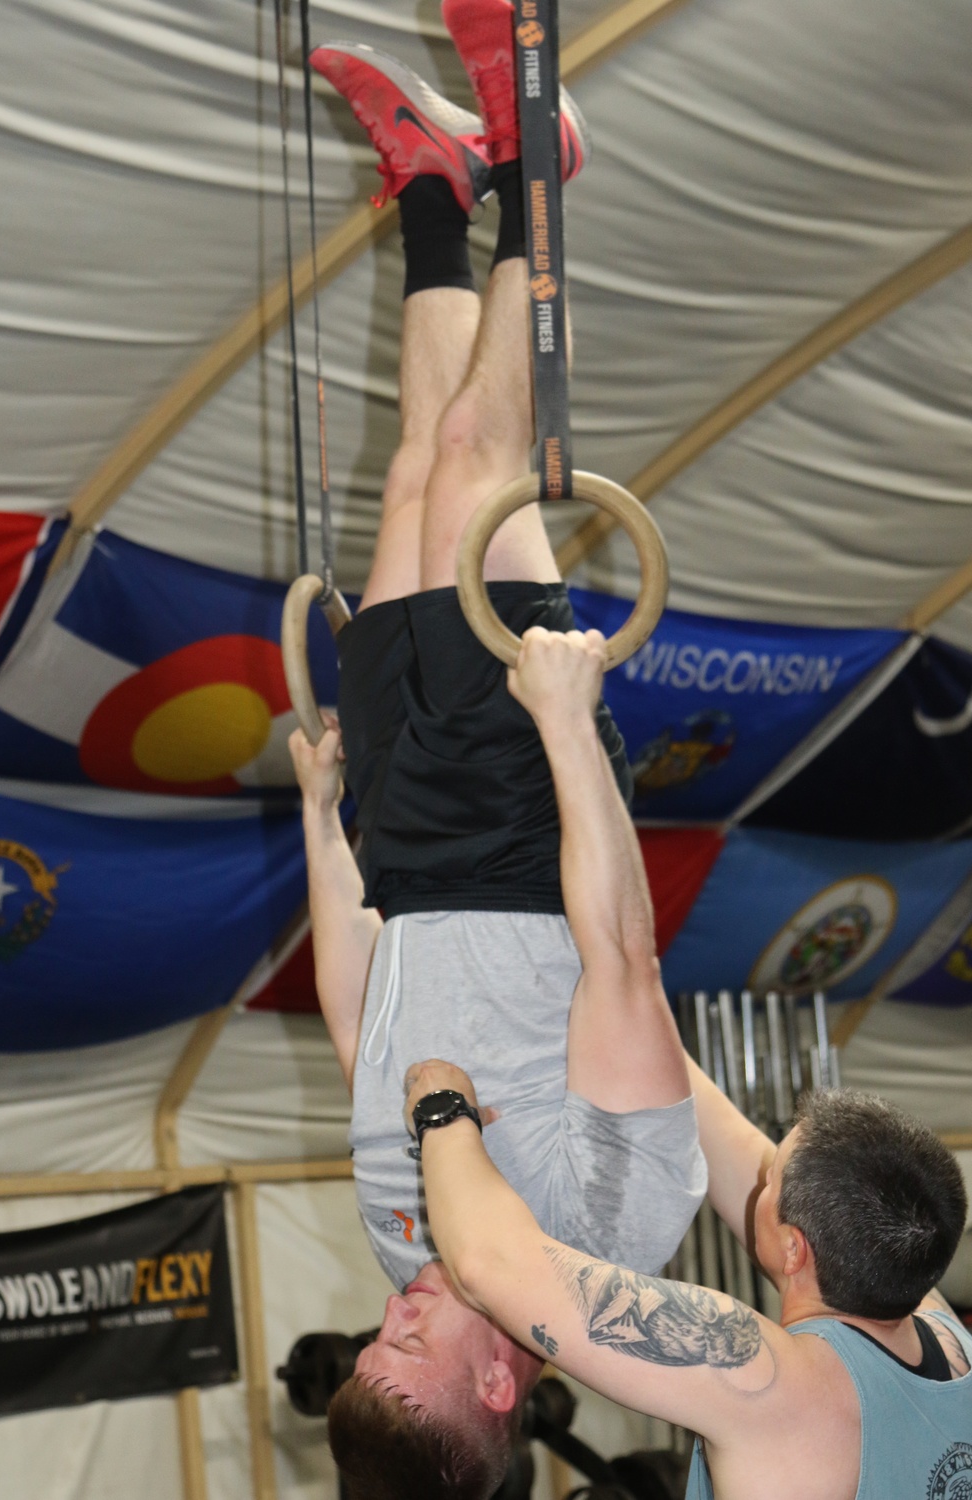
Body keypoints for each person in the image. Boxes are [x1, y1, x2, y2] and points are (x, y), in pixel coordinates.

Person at [287, 2, 705, 1494]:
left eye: (375, 1337)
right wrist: (565, 726)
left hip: (404, 840)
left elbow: (363, 1026)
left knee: (413, 468)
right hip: (519, 829)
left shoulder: (412, 1237)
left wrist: (326, 823)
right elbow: (621, 958)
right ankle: (537, 165)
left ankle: (430, 184)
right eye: (408, 1345)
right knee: (477, 464)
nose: (391, 1309)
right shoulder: (610, 1233)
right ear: (492, 1381)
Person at [406, 1044, 972, 1500]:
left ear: (794, 1250)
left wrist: (442, 1109)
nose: (760, 1177)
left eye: (771, 1178)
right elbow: (733, 1146)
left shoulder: (777, 1384)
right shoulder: (948, 1339)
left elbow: (490, 1262)